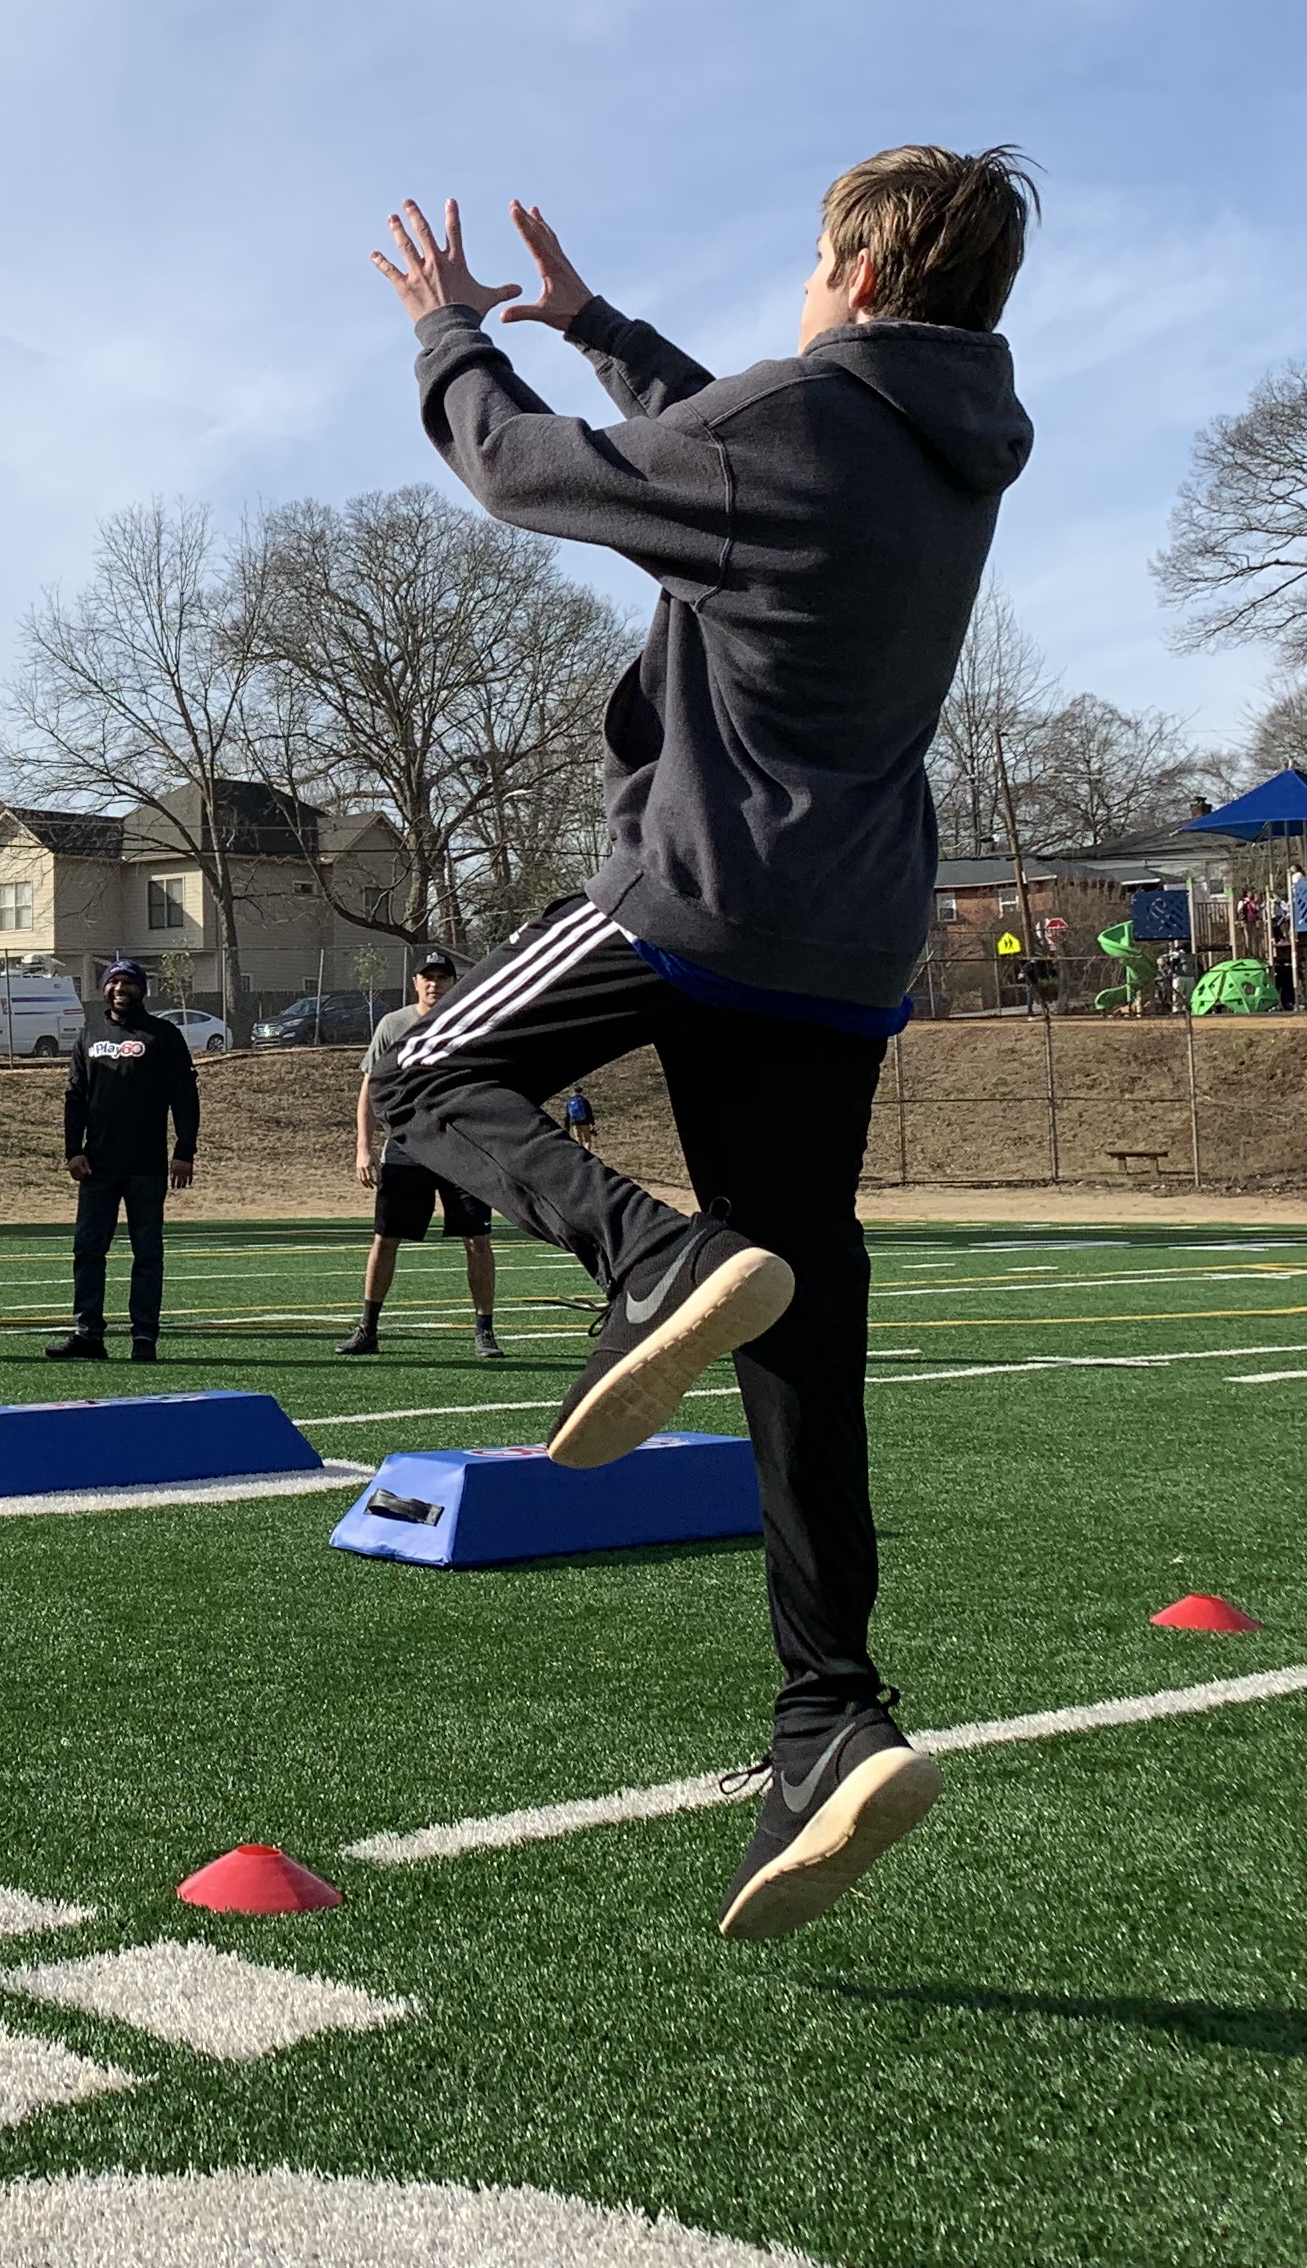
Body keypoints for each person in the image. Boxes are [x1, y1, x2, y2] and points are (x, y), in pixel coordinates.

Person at [365, 153, 1036, 1941]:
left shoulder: (801, 419)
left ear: (863, 266)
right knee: (799, 1322)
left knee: (422, 1073)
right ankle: (830, 1714)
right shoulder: (947, 440)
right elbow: (723, 438)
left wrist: (448, 330)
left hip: (700, 892)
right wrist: (597, 324)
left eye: (813, 257)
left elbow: (516, 469)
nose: (799, 283)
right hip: (846, 942)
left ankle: (647, 1255)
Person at [346, 949, 500, 1362]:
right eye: (427, 977)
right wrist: (363, 1147)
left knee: (477, 1239)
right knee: (386, 1239)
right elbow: (369, 1089)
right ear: (415, 982)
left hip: (461, 1145)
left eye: (442, 977)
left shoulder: (471, 1022)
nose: (434, 984)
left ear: (454, 982)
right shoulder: (393, 1025)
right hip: (407, 1147)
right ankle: (368, 1328)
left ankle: (484, 1330)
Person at [54, 957, 198, 1361]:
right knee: (87, 1250)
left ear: (142, 989)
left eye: (128, 983)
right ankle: (88, 1335)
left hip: (147, 1166)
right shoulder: (89, 1033)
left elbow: (185, 1097)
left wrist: (184, 1151)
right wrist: (72, 1150)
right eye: (113, 982)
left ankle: (144, 1339)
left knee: (147, 1254)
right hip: (97, 1166)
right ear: (103, 988)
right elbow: (74, 1097)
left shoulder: (164, 1035)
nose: (120, 989)